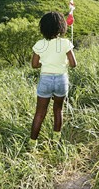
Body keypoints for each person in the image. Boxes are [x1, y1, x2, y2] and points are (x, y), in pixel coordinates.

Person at [29, 11, 77, 148]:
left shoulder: (39, 44)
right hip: (61, 80)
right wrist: (63, 63)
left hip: (45, 80)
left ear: (43, 27)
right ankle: (55, 141)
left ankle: (32, 143)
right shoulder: (66, 43)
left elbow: (34, 65)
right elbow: (73, 64)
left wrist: (44, 64)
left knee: (40, 113)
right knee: (58, 110)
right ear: (61, 26)